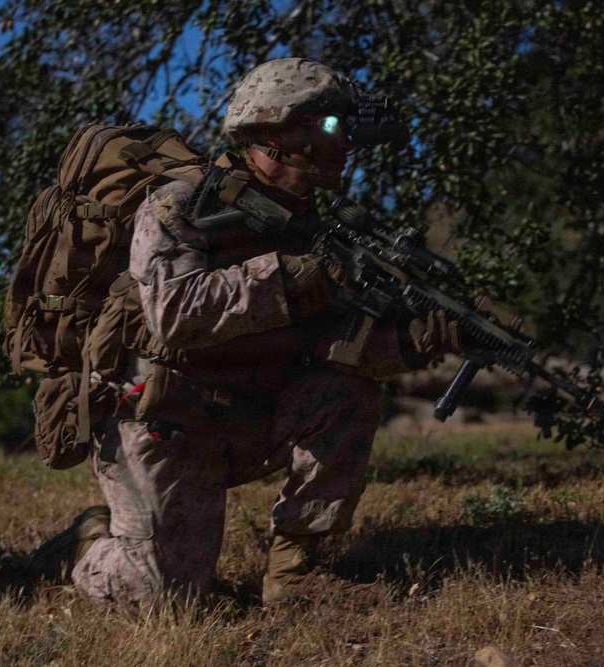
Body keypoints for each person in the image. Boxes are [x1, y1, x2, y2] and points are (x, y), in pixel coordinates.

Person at [30, 58, 462, 605]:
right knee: (165, 596)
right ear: (272, 130)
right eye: (330, 126)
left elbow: (333, 348)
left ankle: (299, 572)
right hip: (164, 423)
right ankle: (87, 538)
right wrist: (293, 275)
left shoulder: (309, 228)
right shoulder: (180, 203)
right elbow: (175, 313)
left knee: (344, 392)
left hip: (246, 413)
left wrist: (421, 339)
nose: (345, 145)